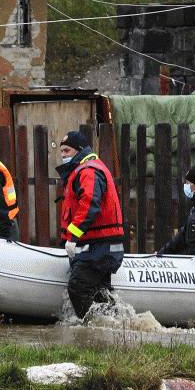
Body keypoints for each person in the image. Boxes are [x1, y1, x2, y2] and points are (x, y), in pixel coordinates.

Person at [56, 130, 125, 319]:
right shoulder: (87, 169)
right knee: (101, 293)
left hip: (99, 247)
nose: (63, 155)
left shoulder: (88, 171)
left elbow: (89, 205)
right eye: (61, 151)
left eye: (67, 150)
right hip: (99, 244)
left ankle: (94, 328)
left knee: (78, 287)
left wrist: (72, 237)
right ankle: (115, 326)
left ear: (79, 150)